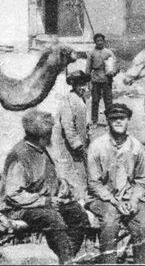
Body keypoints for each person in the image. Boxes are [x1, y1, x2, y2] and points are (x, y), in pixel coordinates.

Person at [0, 109, 90, 263]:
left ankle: (65, 257)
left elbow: (46, 177)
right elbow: (13, 195)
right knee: (53, 218)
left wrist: (62, 185)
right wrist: (45, 201)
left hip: (43, 203)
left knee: (78, 214)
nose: (51, 136)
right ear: (42, 136)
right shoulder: (20, 155)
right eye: (49, 133)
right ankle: (66, 260)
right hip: (17, 209)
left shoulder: (41, 149)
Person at [87, 103, 145, 264]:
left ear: (128, 120)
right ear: (108, 121)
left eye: (122, 118)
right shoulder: (97, 146)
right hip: (103, 198)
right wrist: (116, 202)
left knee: (144, 227)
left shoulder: (136, 146)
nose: (118, 121)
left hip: (129, 197)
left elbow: (141, 180)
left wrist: (133, 200)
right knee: (110, 223)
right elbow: (94, 183)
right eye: (114, 118)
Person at [54, 65, 90, 201]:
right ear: (74, 85)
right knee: (71, 170)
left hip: (81, 142)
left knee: (82, 169)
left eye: (85, 85)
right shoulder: (68, 100)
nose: (83, 88)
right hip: (69, 145)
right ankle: (75, 197)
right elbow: (68, 125)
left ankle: (82, 194)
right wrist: (76, 144)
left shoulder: (81, 100)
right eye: (80, 85)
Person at [88, 33, 117, 125]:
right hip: (95, 79)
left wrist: (113, 72)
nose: (99, 42)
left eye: (101, 40)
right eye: (97, 41)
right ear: (95, 42)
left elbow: (115, 65)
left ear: (104, 41)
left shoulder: (109, 52)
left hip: (106, 79)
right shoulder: (91, 53)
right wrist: (87, 80)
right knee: (95, 101)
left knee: (108, 101)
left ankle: (109, 121)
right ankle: (94, 121)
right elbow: (88, 68)